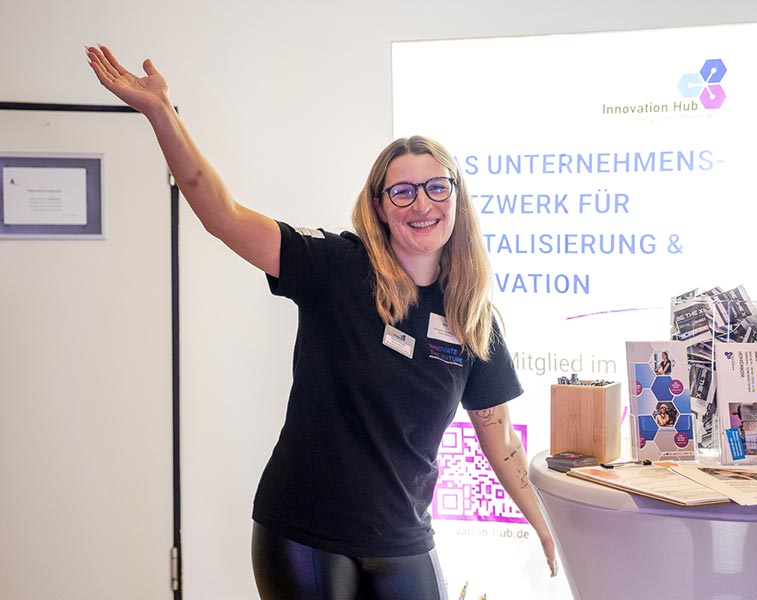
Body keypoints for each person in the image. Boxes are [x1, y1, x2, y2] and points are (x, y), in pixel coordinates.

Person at [85, 45, 557, 599]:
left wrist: (546, 523)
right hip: (304, 531)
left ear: (456, 197)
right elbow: (222, 215)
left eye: (436, 187)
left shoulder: (472, 318)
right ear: (379, 206)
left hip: (403, 538)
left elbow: (499, 436)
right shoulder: (337, 267)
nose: (421, 204)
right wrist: (161, 112)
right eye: (402, 191)